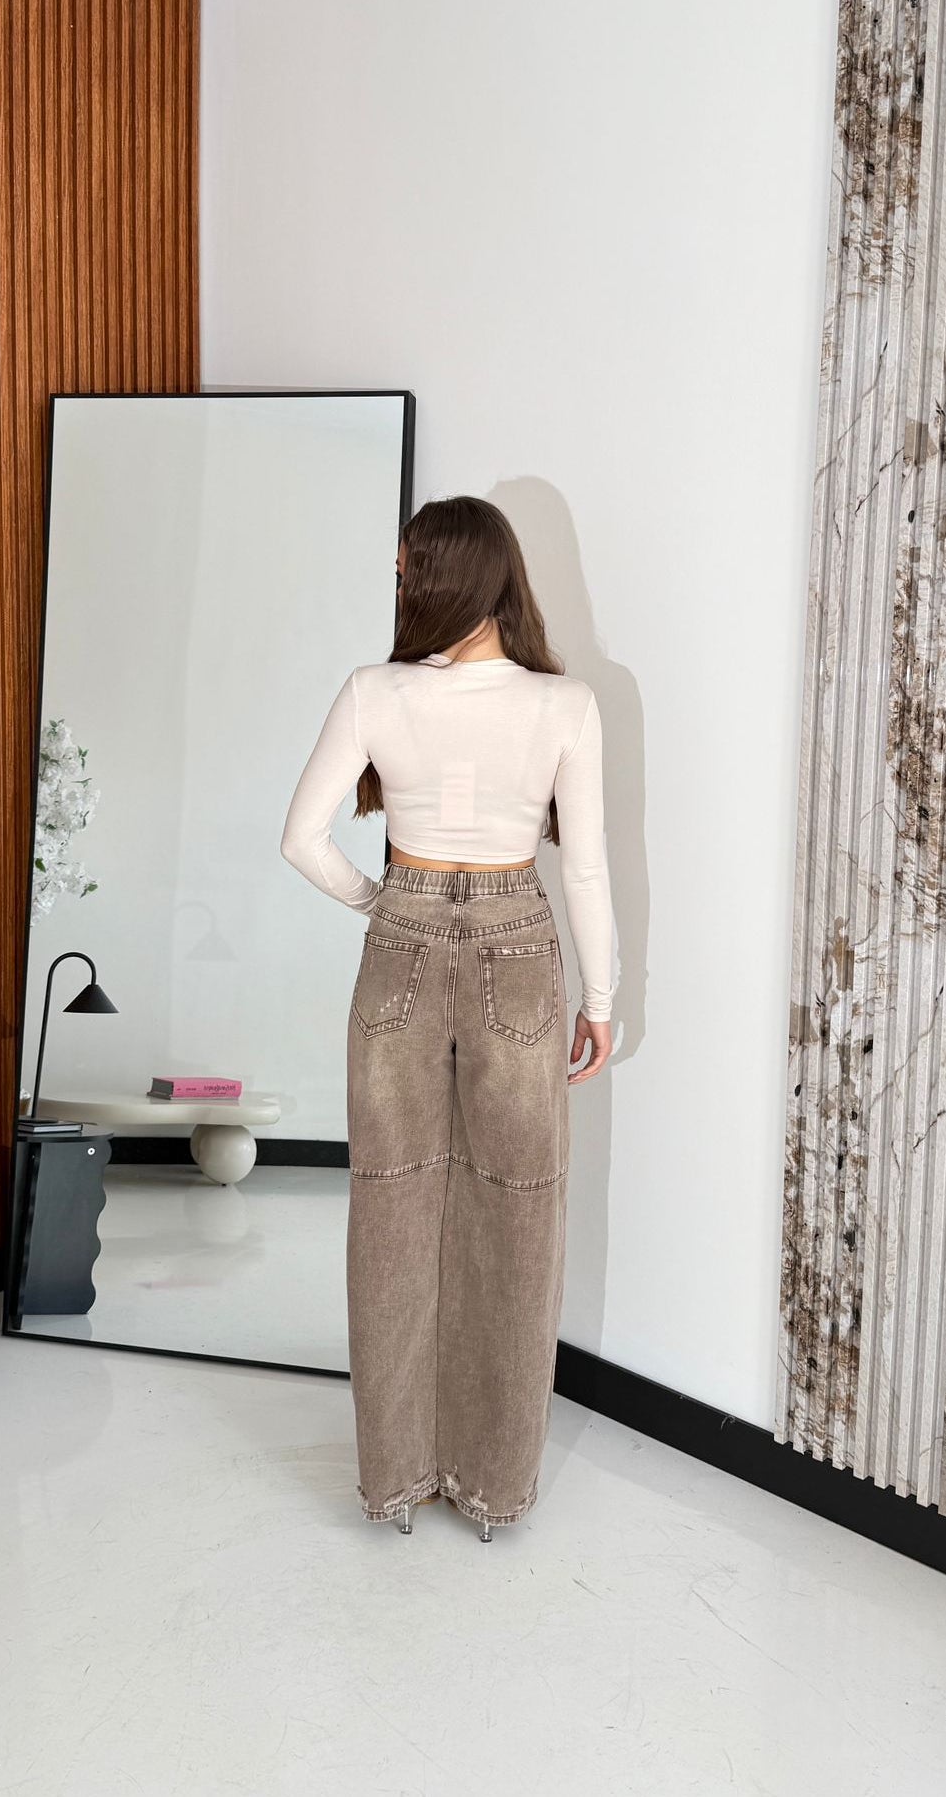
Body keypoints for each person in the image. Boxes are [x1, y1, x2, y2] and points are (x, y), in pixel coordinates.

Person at [280, 495, 614, 1540]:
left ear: (444, 576)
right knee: (517, 1212)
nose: (399, 586)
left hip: (404, 941)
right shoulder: (565, 705)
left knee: (390, 1202)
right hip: (520, 942)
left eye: (406, 570)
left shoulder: (373, 691)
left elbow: (301, 840)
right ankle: (492, 1485)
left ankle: (396, 1480)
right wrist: (602, 1000)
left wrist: (384, 907)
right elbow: (585, 870)